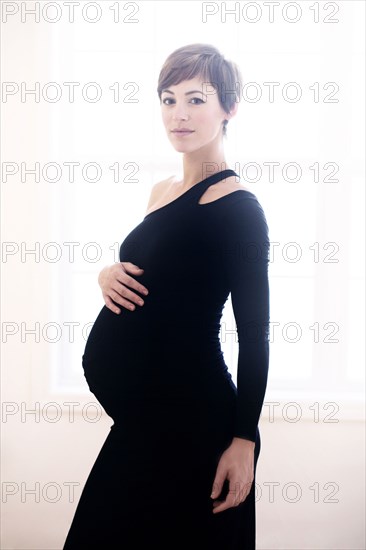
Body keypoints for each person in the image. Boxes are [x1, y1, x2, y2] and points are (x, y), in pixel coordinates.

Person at [63, 43, 270, 549]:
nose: (179, 114)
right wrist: (106, 273)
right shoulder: (161, 191)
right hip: (145, 419)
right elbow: (158, 274)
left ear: (230, 109)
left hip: (193, 420)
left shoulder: (240, 208)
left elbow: (255, 334)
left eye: (197, 100)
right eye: (168, 98)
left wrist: (245, 441)